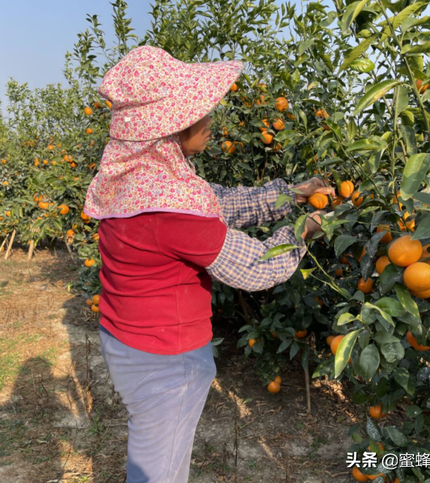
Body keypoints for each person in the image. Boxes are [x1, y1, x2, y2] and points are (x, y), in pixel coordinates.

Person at [82, 45, 335, 483]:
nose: (210, 120)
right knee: (158, 473)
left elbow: (220, 203)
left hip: (127, 341)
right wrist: (302, 232)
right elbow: (256, 267)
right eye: (201, 112)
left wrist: (291, 194)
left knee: (161, 458)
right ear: (174, 126)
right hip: (167, 360)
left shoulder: (139, 181)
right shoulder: (172, 210)